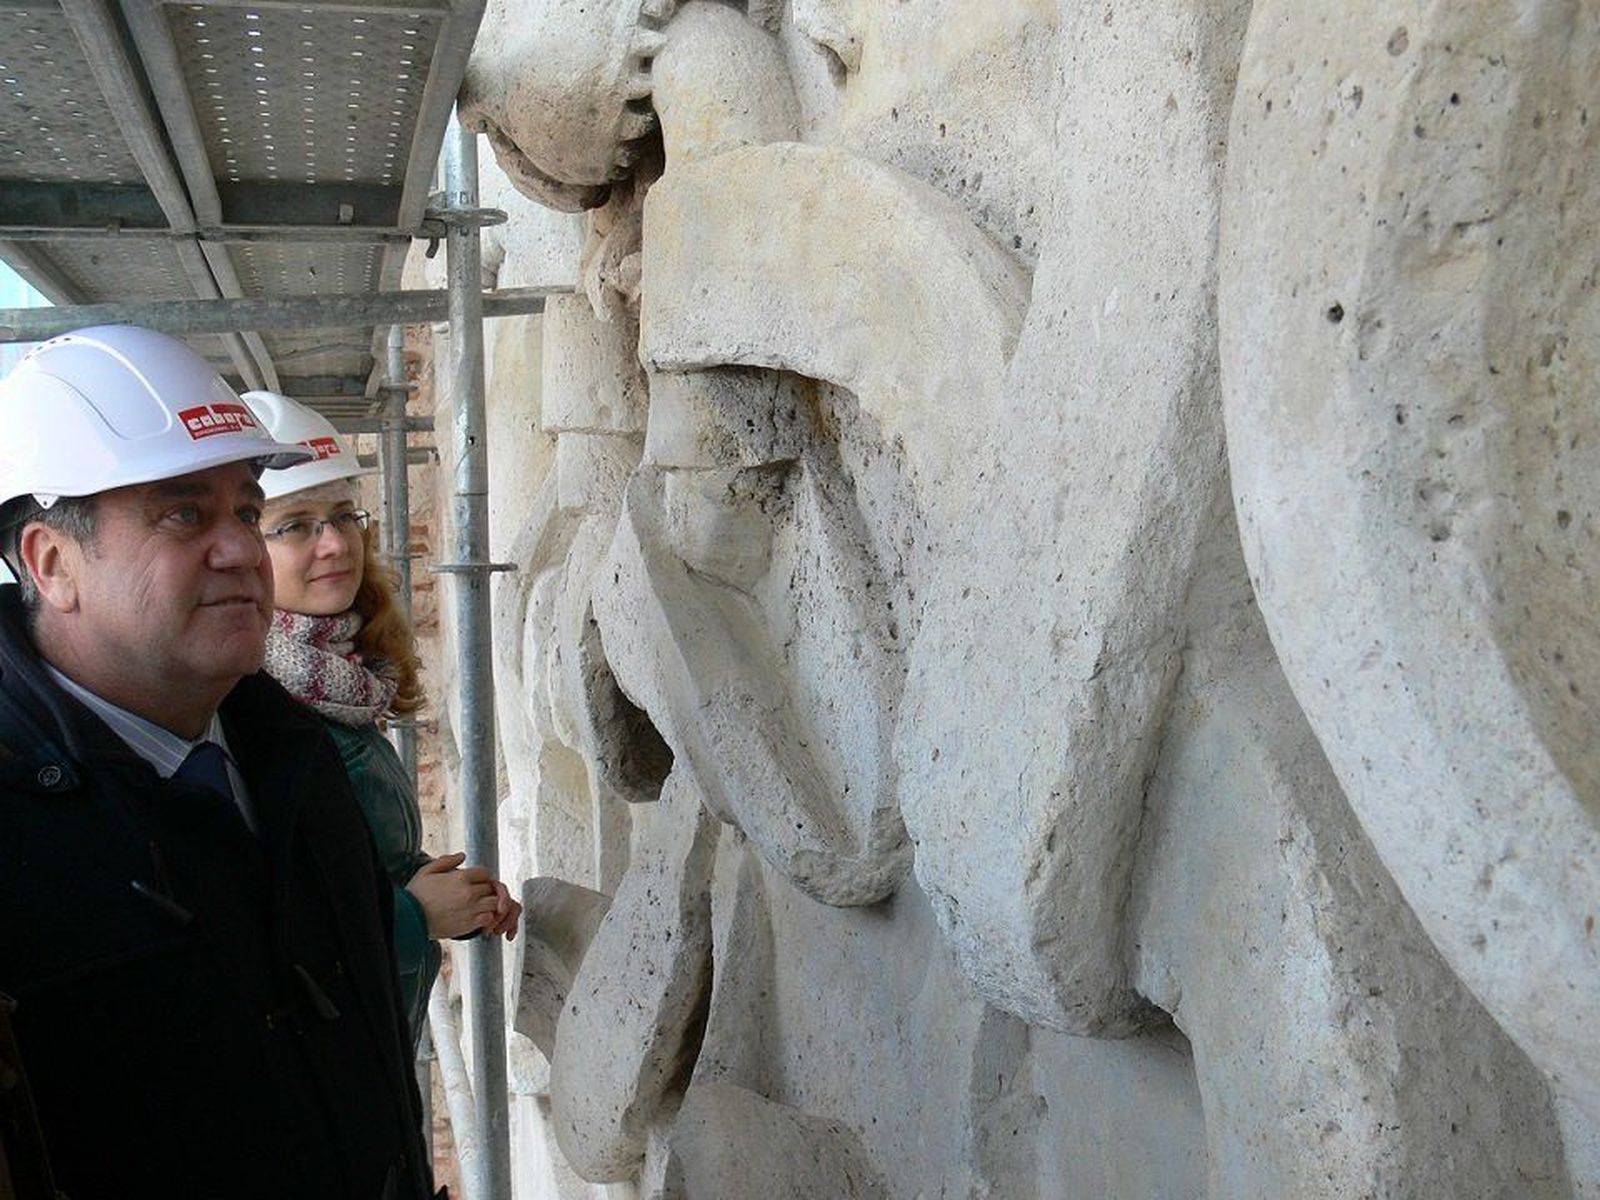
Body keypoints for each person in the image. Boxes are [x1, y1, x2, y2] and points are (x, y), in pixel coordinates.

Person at [0, 326, 433, 1198]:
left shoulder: (293, 750)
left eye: (243, 509)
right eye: (182, 512)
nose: (240, 547)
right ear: (54, 563)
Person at [242, 389, 520, 1046]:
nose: (335, 543)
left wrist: (447, 894)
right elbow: (256, 930)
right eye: (296, 524)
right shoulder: (243, 702)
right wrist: (413, 915)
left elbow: (342, 857)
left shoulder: (342, 680)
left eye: (343, 515)